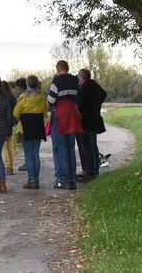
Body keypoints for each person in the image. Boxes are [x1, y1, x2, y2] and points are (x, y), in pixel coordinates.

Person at [46, 60, 83, 190]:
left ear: (57, 69)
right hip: (72, 114)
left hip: (60, 114)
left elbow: (50, 100)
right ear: (68, 68)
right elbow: (78, 97)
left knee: (61, 148)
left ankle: (64, 179)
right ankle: (73, 178)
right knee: (70, 148)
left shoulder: (57, 81)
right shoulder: (75, 80)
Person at [13, 75, 48, 189]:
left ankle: (31, 179)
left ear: (27, 85)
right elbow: (44, 113)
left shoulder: (23, 98)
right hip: (37, 128)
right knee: (35, 154)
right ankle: (36, 179)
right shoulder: (41, 97)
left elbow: (15, 113)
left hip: (25, 129)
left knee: (28, 155)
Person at [76, 68, 107, 182]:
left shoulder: (83, 89)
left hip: (86, 121)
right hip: (95, 119)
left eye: (78, 77)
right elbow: (104, 94)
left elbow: (79, 104)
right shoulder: (94, 86)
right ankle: (95, 170)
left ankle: (90, 172)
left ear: (81, 77)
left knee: (87, 147)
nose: (78, 79)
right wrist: (97, 104)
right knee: (93, 145)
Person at [0, 79, 17, 175]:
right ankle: (11, 165)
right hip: (11, 123)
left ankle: (7, 166)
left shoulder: (0, 97)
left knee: (3, 147)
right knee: (10, 145)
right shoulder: (13, 97)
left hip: (2, 124)